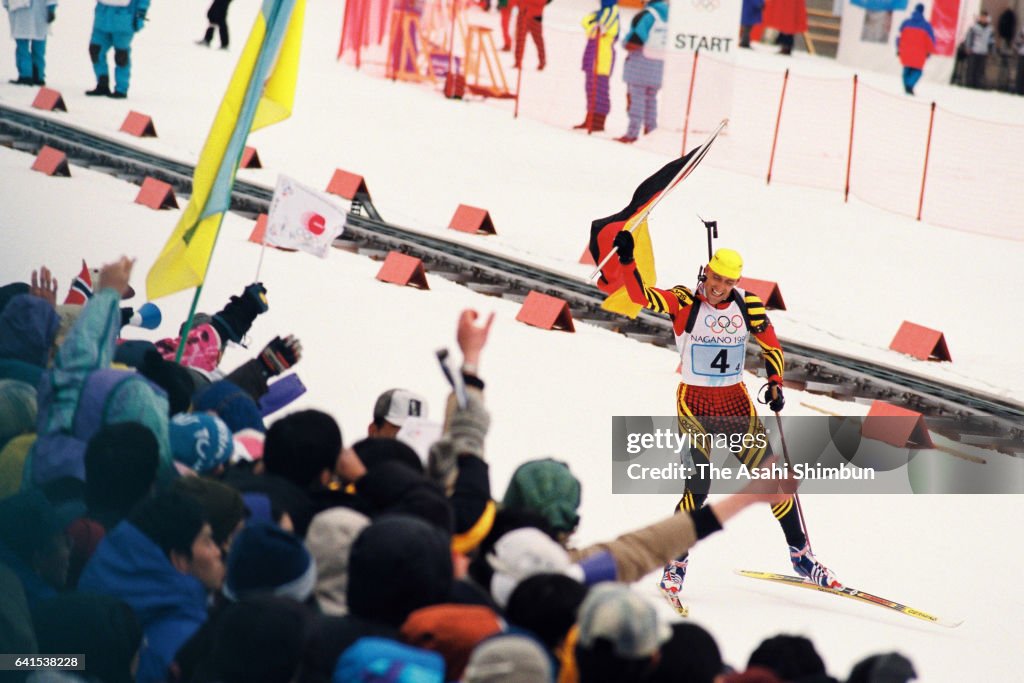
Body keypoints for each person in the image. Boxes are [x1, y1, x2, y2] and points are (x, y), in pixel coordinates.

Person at [610, 232, 839, 614]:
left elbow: (771, 345)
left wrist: (776, 383)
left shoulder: (747, 305)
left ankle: (801, 556)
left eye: (728, 282)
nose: (718, 287)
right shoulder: (685, 300)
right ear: (706, 273)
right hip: (695, 404)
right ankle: (676, 560)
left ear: (736, 283)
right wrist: (627, 260)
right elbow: (639, 296)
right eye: (715, 278)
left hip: (736, 404)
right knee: (698, 484)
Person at [616, 0, 668, 144]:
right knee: (651, 100)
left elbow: (635, 40)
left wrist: (625, 43)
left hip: (640, 65)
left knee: (636, 100)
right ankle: (651, 131)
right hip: (659, 65)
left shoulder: (647, 15)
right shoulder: (670, 16)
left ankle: (632, 133)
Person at [86, 0, 151, 98]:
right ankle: (102, 84)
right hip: (102, 19)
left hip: (124, 20)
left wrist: (140, 15)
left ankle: (121, 89)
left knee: (121, 56)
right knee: (95, 50)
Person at [574, 0, 620, 133]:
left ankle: (599, 121)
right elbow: (585, 21)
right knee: (590, 87)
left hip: (602, 56)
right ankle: (589, 117)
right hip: (593, 53)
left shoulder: (611, 11)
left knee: (600, 89)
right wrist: (592, 26)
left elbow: (597, 30)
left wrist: (592, 26)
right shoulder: (601, 12)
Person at [2, 0, 56, 86]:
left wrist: (6, 5)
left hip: (20, 11)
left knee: (22, 47)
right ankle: (38, 75)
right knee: (38, 46)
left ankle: (26, 75)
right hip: (39, 13)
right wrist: (51, 8)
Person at [896, 4, 935, 95]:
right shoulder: (926, 26)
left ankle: (907, 85)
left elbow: (899, 37)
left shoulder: (906, 23)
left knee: (906, 69)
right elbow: (931, 41)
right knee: (917, 71)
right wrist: (929, 51)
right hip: (920, 53)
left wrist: (899, 48)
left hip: (906, 51)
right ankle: (909, 85)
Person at [961, 11, 994, 89]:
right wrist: (968, 47)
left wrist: (991, 51)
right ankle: (969, 85)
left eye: (985, 17)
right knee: (971, 69)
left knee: (980, 71)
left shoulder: (989, 29)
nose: (983, 19)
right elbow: (969, 38)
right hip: (974, 51)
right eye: (982, 17)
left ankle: (977, 85)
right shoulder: (974, 27)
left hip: (983, 52)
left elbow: (991, 41)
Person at [513, 0, 546, 70]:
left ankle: (542, 61)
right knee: (520, 39)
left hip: (535, 15)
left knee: (538, 40)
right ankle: (517, 61)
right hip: (523, 13)